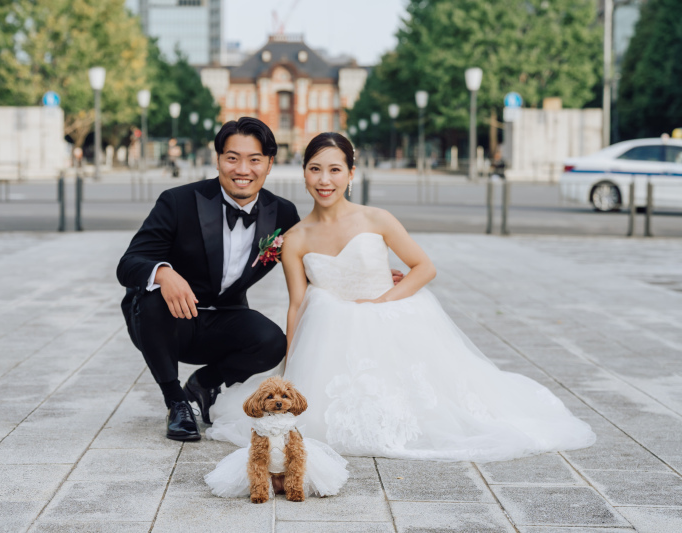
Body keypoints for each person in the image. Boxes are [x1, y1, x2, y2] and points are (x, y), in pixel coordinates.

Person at [207, 133, 596, 461]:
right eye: (315, 169)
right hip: (330, 332)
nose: (324, 180)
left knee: (436, 406)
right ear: (304, 173)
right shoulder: (295, 238)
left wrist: (382, 302)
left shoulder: (376, 218)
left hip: (391, 317)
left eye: (335, 170)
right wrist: (291, 368)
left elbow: (424, 267)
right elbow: (297, 304)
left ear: (351, 174)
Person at [116, 117, 300, 441]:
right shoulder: (178, 201)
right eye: (232, 158)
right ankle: (176, 402)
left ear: (270, 164)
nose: (242, 169)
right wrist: (164, 273)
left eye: (254, 160)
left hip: (225, 318)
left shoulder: (282, 213)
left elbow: (312, 261)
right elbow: (129, 264)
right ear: (217, 160)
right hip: (168, 322)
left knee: (273, 341)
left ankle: (203, 383)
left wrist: (373, 274)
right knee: (153, 297)